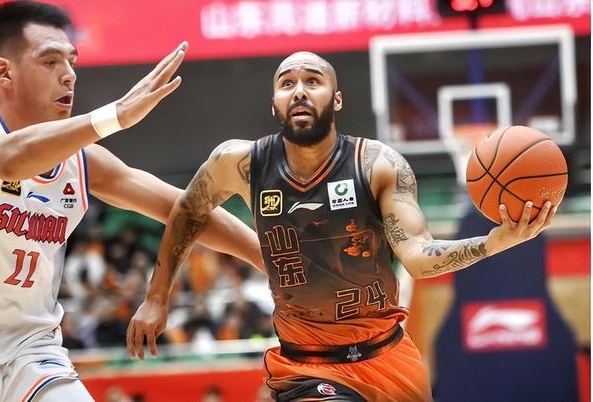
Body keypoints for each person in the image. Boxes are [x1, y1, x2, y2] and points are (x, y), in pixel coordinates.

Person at [127, 51, 556, 401]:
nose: (299, 90)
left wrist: (494, 241)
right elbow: (189, 211)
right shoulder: (239, 163)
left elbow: (417, 257)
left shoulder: (378, 165)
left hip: (388, 356)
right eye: (286, 83)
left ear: (336, 99)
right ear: (274, 103)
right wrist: (156, 296)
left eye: (312, 81)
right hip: (308, 365)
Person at [0, 1, 263, 401]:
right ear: (4, 72)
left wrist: (271, 262)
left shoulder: (84, 162)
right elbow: (9, 159)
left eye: (71, 61)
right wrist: (115, 116)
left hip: (28, 355)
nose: (68, 74)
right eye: (50, 61)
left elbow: (187, 208)